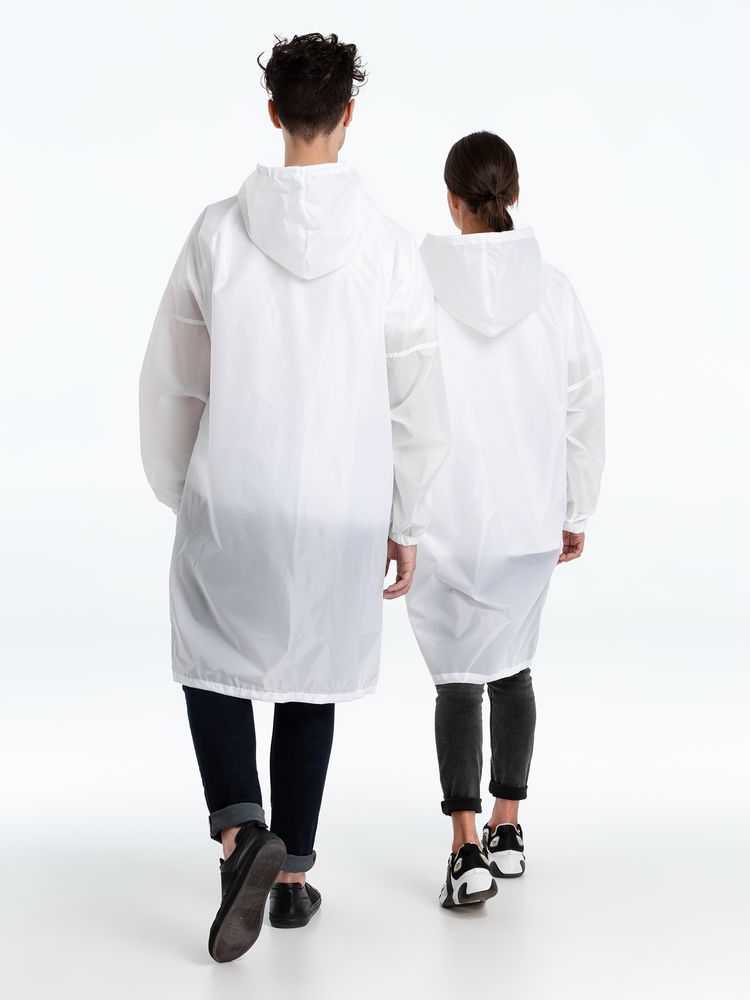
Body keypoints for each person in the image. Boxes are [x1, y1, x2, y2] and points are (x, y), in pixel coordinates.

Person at [138, 33, 449, 960]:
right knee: (313, 671)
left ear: (273, 111)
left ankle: (242, 833)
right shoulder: (388, 247)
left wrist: (179, 484)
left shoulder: (217, 233)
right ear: (349, 115)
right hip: (343, 501)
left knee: (211, 652)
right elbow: (416, 393)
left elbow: (175, 378)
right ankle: (292, 878)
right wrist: (408, 516)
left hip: (238, 485)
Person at [405, 131, 605, 908]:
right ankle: (509, 827)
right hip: (528, 514)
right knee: (513, 665)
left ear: (453, 201)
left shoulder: (419, 289)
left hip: (445, 514)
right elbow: (584, 400)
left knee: (458, 676)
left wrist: (395, 511)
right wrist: (575, 503)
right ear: (512, 194)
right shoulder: (553, 292)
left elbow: (398, 402)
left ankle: (465, 848)